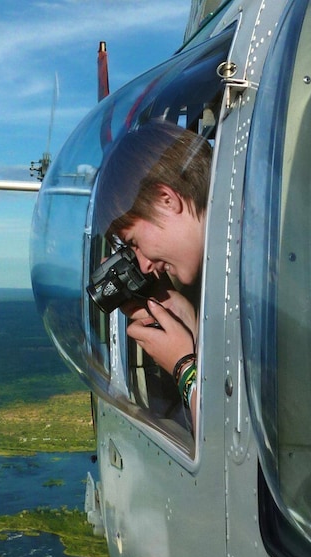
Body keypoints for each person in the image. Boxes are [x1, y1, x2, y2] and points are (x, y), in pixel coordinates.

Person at [94, 119, 213, 419]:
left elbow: (228, 449)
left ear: (166, 200)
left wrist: (184, 367)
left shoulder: (263, 264)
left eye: (134, 243)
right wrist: (189, 320)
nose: (145, 266)